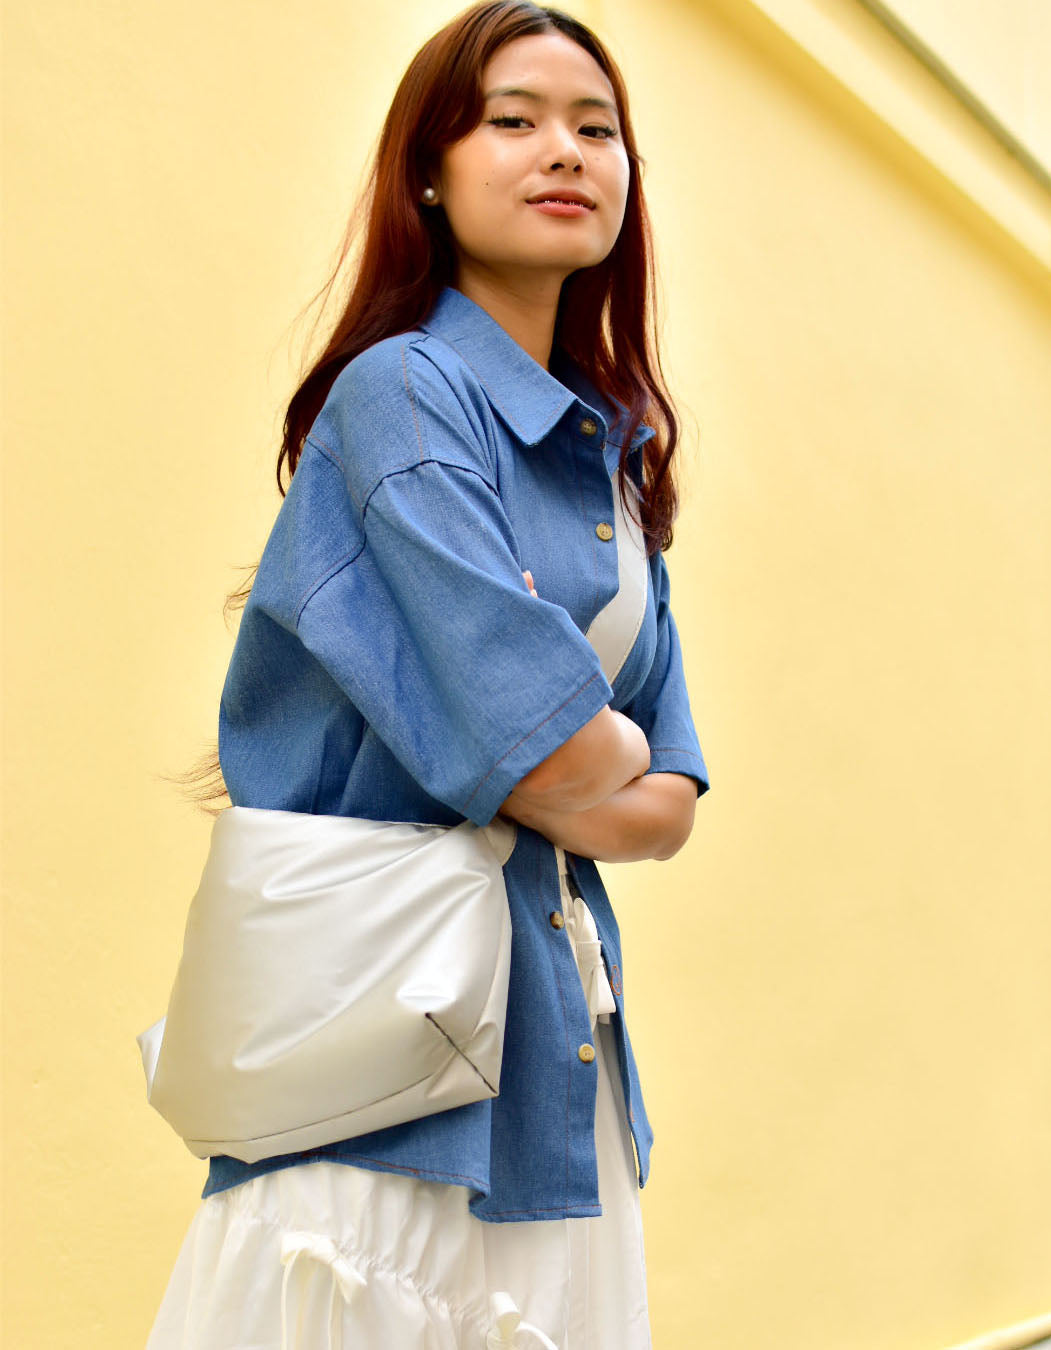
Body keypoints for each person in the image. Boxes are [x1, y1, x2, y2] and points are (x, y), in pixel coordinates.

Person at [146, 2, 709, 1346]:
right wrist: (583, 757)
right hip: (380, 1073)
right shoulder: (402, 396)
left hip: (559, 1065)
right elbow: (558, 757)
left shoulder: (611, 465)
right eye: (511, 120)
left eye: (596, 126)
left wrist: (587, 757)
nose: (562, 151)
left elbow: (671, 795)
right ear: (430, 173)